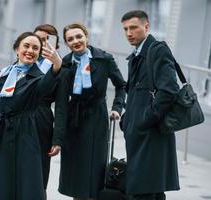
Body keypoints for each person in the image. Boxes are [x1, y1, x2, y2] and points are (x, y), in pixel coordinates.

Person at [0, 31, 62, 200]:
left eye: (36, 48)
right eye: (26, 46)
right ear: (16, 49)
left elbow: (46, 86)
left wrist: (56, 66)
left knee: (22, 187)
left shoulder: (38, 78)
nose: (30, 50)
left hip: (24, 139)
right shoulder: (2, 75)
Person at [58, 23, 126, 200]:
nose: (76, 41)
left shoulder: (104, 59)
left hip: (97, 117)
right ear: (67, 43)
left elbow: (121, 85)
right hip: (74, 118)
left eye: (79, 36)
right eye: (70, 39)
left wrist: (117, 107)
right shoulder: (65, 62)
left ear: (86, 36)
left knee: (95, 169)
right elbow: (61, 97)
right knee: (76, 171)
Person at [120, 10, 180, 200]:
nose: (129, 33)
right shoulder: (136, 54)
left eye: (133, 28)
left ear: (146, 27)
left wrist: (144, 119)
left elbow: (169, 90)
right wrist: (126, 119)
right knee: (151, 189)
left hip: (152, 132)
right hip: (140, 132)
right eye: (125, 29)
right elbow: (135, 92)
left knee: (143, 189)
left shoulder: (157, 50)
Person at [33, 24, 67, 199]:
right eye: (37, 39)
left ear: (56, 44)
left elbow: (61, 106)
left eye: (46, 40)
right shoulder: (25, 59)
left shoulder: (60, 67)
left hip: (41, 121)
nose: (41, 43)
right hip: (18, 122)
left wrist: (57, 139)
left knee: (39, 174)